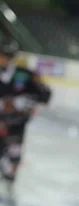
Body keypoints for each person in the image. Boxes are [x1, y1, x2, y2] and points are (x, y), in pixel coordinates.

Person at [0, 39, 51, 186]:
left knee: (14, 154)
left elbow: (45, 95)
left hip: (16, 126)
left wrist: (24, 103)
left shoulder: (25, 74)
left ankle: (10, 180)